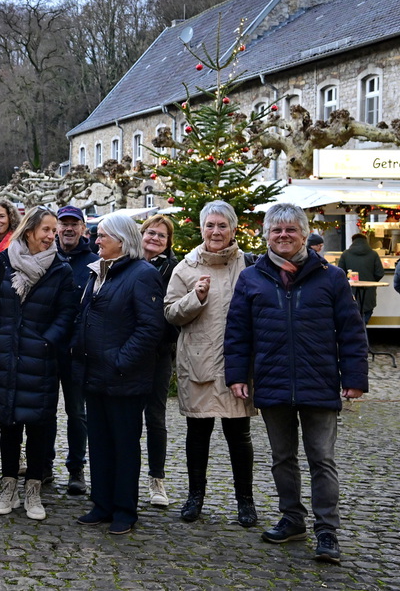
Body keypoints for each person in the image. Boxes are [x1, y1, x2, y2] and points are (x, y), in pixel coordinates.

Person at [225, 203, 368, 565]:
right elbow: (238, 332)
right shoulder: (251, 278)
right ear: (266, 236)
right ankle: (292, 519)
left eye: (291, 229)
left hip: (319, 380)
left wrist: (354, 378)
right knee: (282, 458)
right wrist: (237, 375)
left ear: (304, 234)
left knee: (322, 459)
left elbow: (352, 331)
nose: (283, 236)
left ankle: (327, 531)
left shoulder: (331, 277)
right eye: (277, 230)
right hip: (273, 380)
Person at [163, 201, 257, 527]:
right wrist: (196, 298)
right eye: (210, 225)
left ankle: (245, 501)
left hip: (236, 366)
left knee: (239, 435)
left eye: (222, 225)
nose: (216, 231)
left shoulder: (249, 266)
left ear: (233, 229)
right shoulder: (185, 268)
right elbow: (170, 313)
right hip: (198, 362)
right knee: (198, 433)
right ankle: (195, 497)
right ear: (202, 228)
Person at [71, 214, 165, 535]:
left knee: (124, 445)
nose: (96, 240)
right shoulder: (98, 271)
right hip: (95, 374)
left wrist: (120, 361)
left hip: (124, 378)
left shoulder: (143, 274)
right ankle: (102, 504)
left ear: (122, 242)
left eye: (103, 236)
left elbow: (150, 328)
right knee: (99, 444)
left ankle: (124, 509)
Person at [0, 207, 77, 520]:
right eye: (46, 229)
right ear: (30, 229)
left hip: (41, 356)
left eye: (54, 230)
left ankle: (33, 488)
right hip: (6, 353)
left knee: (39, 424)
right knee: (8, 422)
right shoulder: (3, 261)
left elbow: (67, 312)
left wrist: (48, 340)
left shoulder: (60, 269)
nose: (52, 235)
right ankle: (8, 485)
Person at [53, 205, 96, 496]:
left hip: (77, 350)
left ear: (82, 228)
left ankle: (76, 468)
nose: (68, 228)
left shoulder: (95, 262)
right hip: (47, 347)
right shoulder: (46, 256)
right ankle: (42, 464)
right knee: (43, 411)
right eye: (64, 223)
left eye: (74, 224)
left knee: (77, 412)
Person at [139, 214, 179, 508]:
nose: (154, 238)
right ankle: (123, 475)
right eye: (150, 232)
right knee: (126, 419)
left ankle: (157, 479)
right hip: (127, 353)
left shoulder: (174, 270)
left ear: (168, 242)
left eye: (161, 235)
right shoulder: (126, 263)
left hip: (158, 353)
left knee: (155, 417)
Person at [336, 233, 384, 325]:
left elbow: (340, 273)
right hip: (369, 292)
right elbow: (380, 273)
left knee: (352, 321)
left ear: (353, 241)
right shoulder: (373, 254)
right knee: (365, 319)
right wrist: (371, 281)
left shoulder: (345, 254)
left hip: (350, 292)